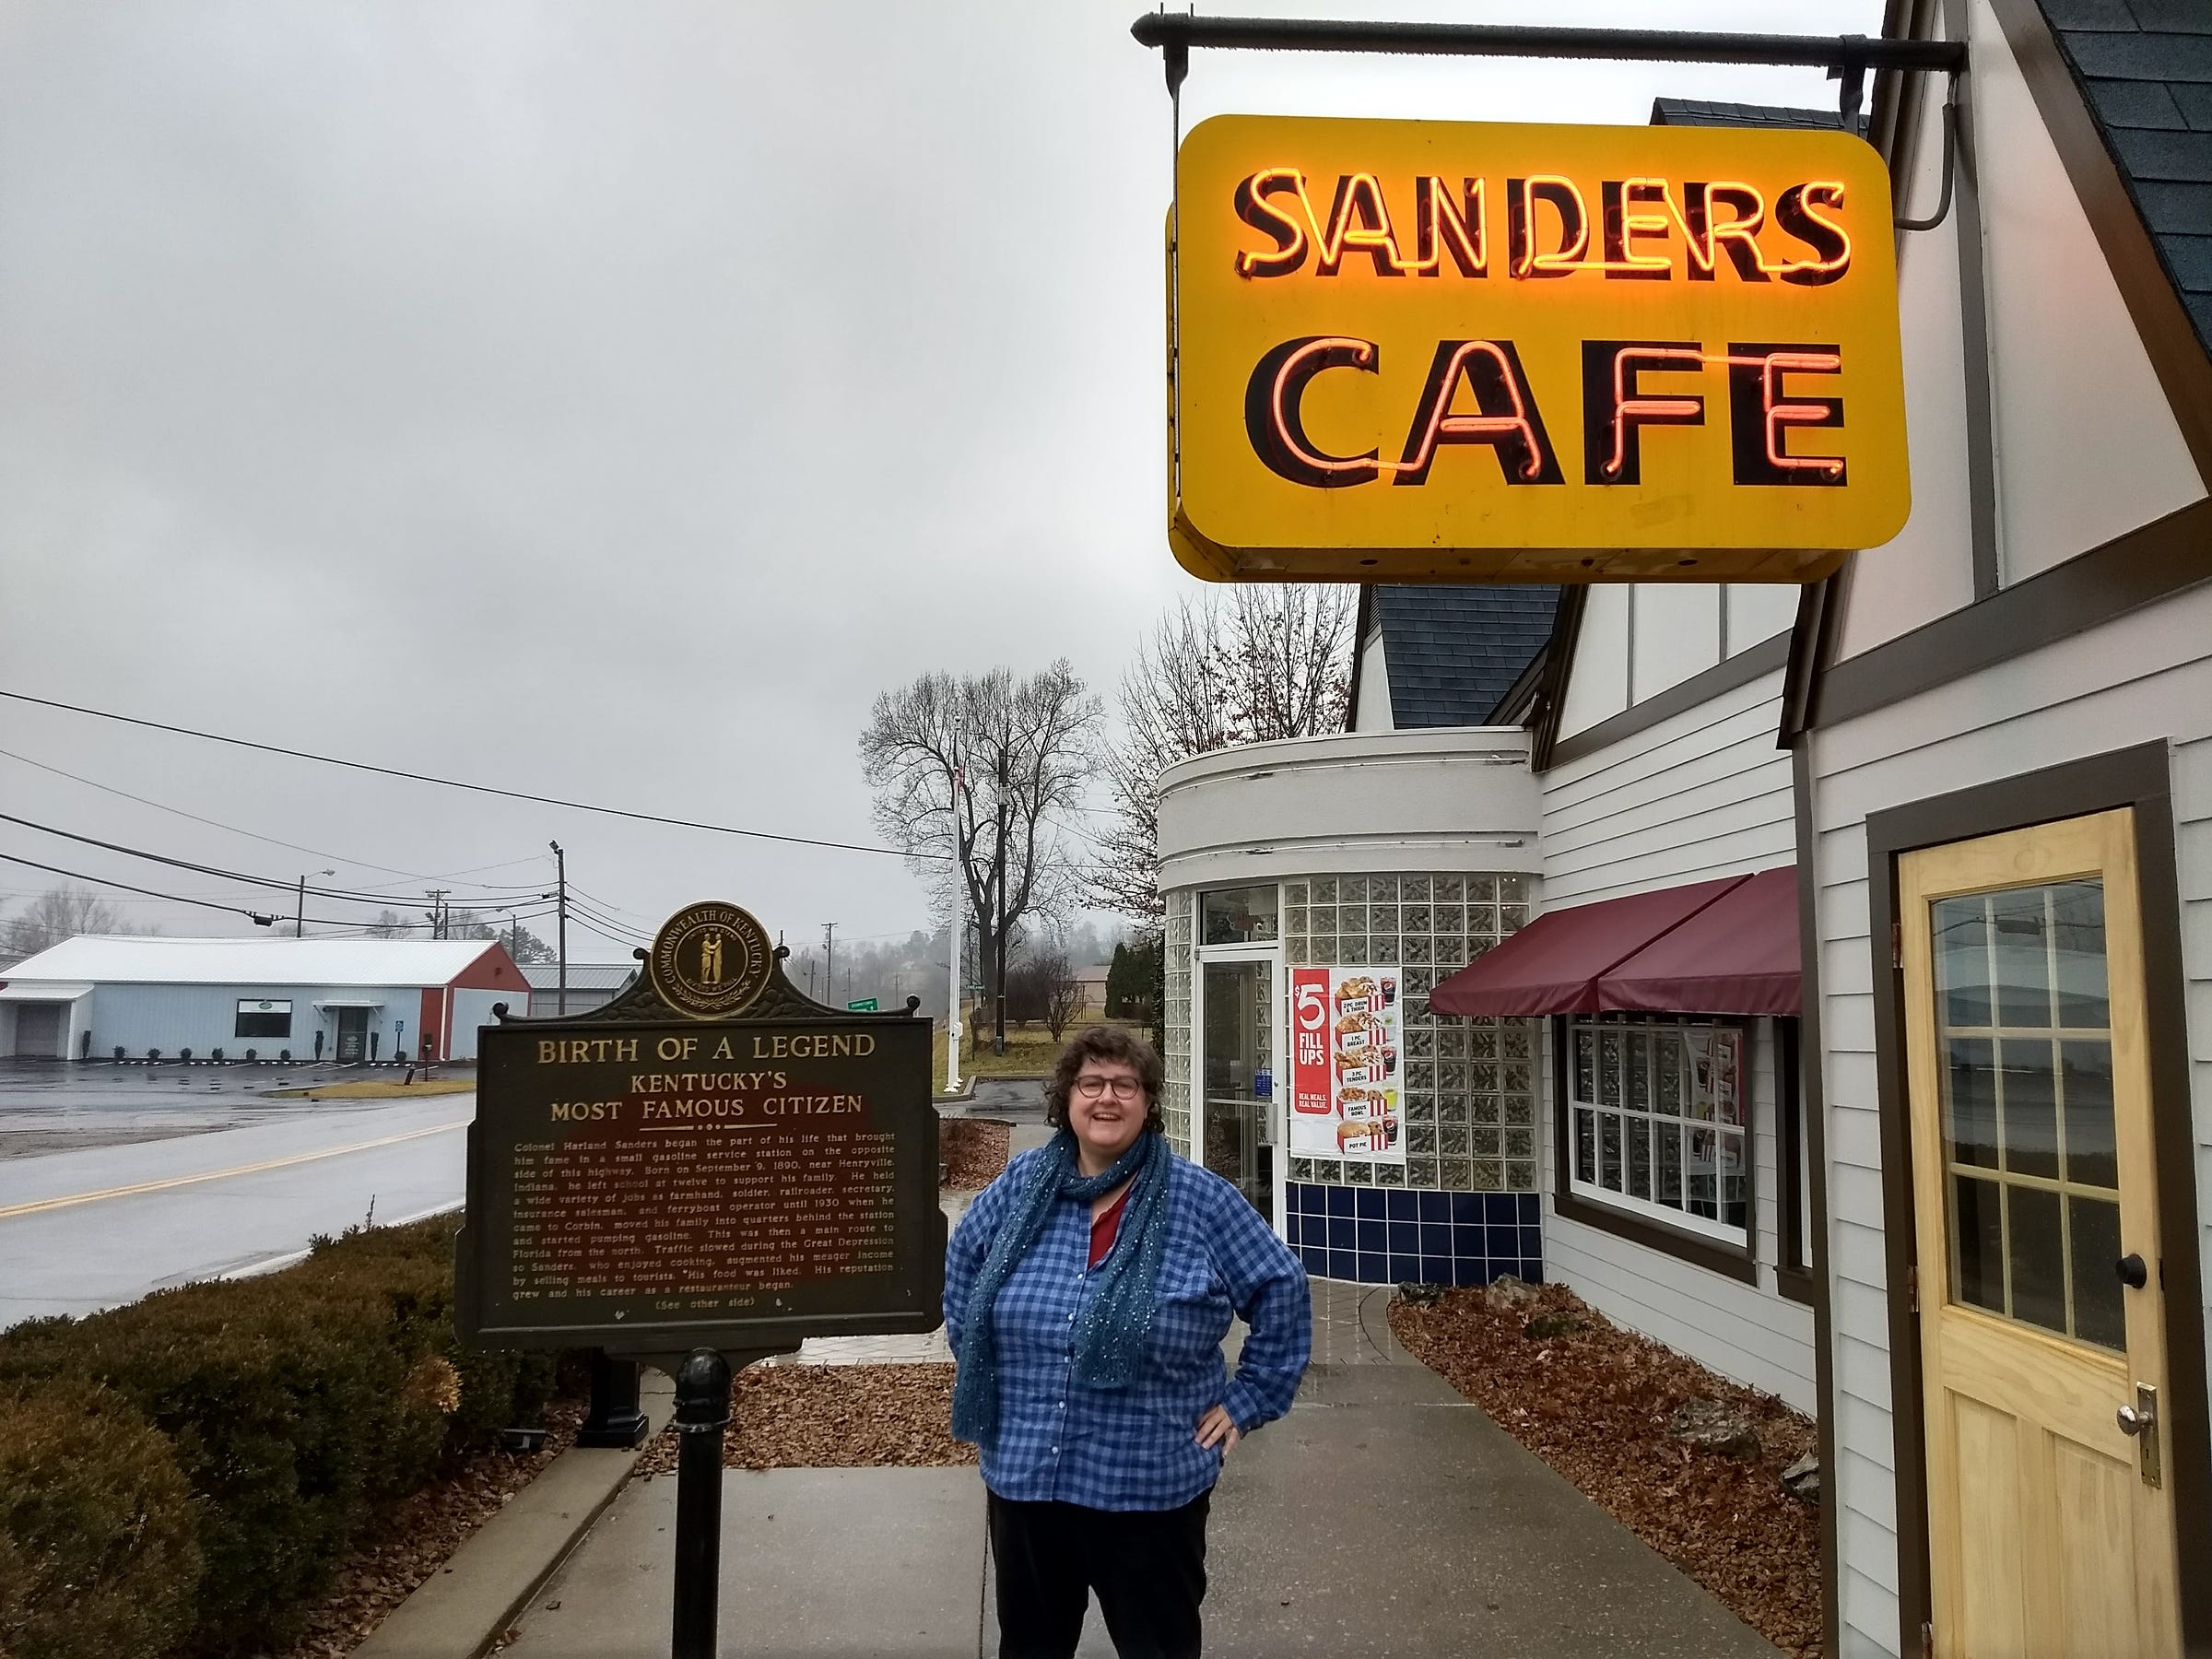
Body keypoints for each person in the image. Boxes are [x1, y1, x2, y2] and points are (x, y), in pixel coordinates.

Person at [945, 1025, 1311, 1659]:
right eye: (1091, 1083)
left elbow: (1282, 1287)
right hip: (1029, 1477)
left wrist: (1250, 1399)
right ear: (1067, 1097)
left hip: (1147, 1486)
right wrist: (984, 1360)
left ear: (1147, 1102)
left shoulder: (1199, 1200)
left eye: (1125, 1085)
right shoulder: (1022, 1184)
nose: (1106, 1098)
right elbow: (964, 1271)